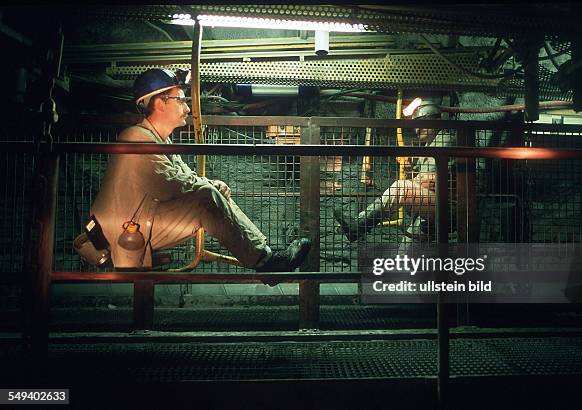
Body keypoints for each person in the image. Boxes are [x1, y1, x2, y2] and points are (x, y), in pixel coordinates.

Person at [78, 68, 311, 274]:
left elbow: (181, 177)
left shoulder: (158, 140)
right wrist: (208, 187)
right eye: (180, 100)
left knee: (210, 193)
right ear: (159, 104)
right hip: (120, 233)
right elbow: (168, 186)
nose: (187, 107)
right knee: (205, 197)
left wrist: (209, 183)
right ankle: (265, 261)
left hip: (141, 222)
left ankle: (265, 257)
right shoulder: (135, 138)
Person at [334, 99, 447, 242]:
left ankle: (359, 225)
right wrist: (409, 170)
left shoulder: (445, 139)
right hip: (429, 207)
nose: (416, 129)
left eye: (419, 123)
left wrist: (418, 180)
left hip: (446, 205)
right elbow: (424, 181)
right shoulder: (428, 147)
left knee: (401, 188)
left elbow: (434, 180)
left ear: (431, 121)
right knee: (405, 251)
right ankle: (358, 225)